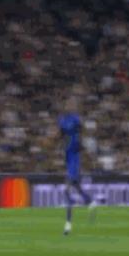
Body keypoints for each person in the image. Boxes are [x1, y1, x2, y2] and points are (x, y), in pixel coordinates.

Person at [58, 94, 96, 236]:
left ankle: (68, 225)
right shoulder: (62, 120)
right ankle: (90, 202)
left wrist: (82, 148)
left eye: (72, 104)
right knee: (76, 187)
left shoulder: (76, 119)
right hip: (68, 156)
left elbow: (82, 133)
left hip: (74, 157)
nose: (70, 106)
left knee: (67, 190)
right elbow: (61, 135)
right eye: (68, 104)